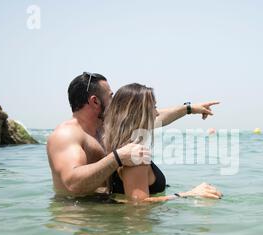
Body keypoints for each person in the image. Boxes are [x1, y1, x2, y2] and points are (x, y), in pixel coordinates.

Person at [47, 72, 220, 196]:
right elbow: (72, 183)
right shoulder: (66, 134)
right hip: (77, 222)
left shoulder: (108, 128)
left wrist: (188, 109)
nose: (116, 101)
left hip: (102, 213)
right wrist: (117, 157)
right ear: (95, 101)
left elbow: (150, 117)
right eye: (111, 96)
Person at [102, 83, 222, 202]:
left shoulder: (114, 145)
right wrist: (190, 194)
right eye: (153, 108)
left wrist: (189, 108)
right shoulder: (134, 156)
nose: (157, 113)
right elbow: (138, 205)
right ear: (139, 114)